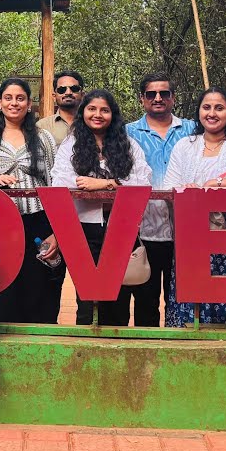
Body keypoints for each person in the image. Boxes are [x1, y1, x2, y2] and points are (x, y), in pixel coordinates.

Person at [127, 72, 226, 327]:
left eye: (164, 93)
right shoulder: (126, 133)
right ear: (142, 98)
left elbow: (220, 132)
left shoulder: (192, 130)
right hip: (145, 226)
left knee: (183, 295)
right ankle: (148, 348)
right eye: (151, 94)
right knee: (145, 298)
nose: (158, 98)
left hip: (187, 229)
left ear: (173, 97)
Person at [162, 87, 226, 328]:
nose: (212, 113)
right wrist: (186, 189)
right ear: (198, 111)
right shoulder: (185, 145)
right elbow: (169, 186)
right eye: (206, 107)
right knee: (193, 304)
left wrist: (217, 184)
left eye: (219, 108)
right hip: (194, 237)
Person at [49, 90, 152, 326]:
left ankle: (115, 343)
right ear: (83, 112)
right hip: (84, 229)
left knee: (119, 298)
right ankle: (86, 344)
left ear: (112, 114)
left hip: (121, 228)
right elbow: (60, 180)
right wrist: (106, 186)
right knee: (87, 300)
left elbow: (143, 180)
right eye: (92, 109)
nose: (98, 115)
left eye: (104, 110)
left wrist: (105, 184)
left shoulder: (128, 145)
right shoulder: (72, 145)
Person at [0, 78, 58, 324]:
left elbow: (54, 183)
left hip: (38, 220)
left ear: (29, 103)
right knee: (3, 287)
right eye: (8, 98)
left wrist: (56, 230)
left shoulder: (43, 138)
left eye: (20, 98)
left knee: (38, 287)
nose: (14, 103)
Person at [37, 71, 84, 145]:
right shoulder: (42, 126)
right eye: (62, 90)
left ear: (82, 95)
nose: (68, 92)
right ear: (54, 96)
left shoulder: (93, 123)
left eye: (74, 89)